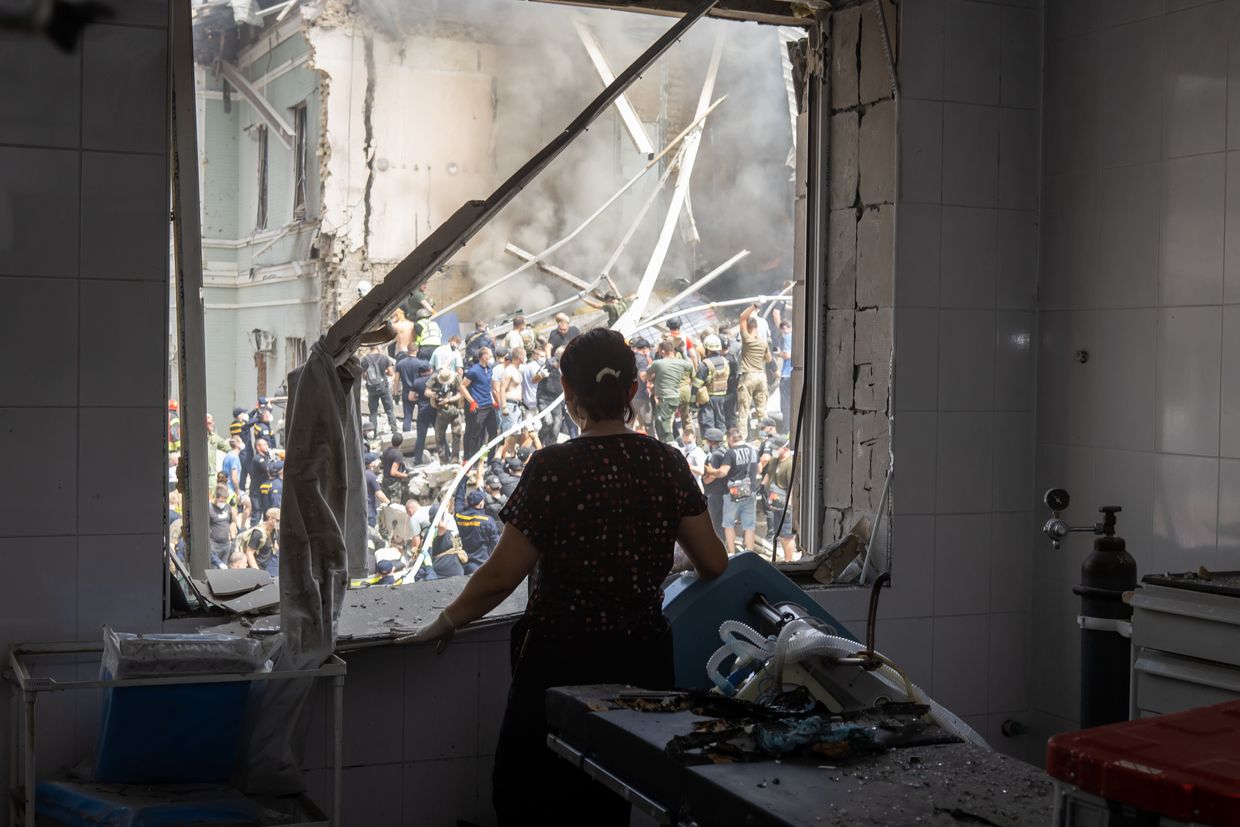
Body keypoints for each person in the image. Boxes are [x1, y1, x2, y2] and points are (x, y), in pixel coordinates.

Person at [402, 328, 728, 827]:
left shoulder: (553, 468)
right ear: (634, 391)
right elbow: (713, 563)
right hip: (642, 667)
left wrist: (447, 620)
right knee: (609, 801)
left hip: (562, 667)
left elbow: (500, 576)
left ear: (568, 393)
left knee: (531, 798)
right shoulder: (666, 463)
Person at [716, 428, 759, 553]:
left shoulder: (730, 453)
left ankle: (731, 552)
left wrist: (713, 472)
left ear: (730, 439)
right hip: (749, 491)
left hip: (733, 494)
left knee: (729, 524)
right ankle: (749, 552)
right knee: (749, 525)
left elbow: (723, 472)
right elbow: (760, 469)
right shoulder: (753, 450)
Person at [737, 304, 773, 440]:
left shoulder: (747, 340)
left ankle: (742, 438)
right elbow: (768, 359)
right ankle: (765, 438)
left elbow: (742, 317)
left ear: (748, 327)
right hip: (761, 376)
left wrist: (753, 307)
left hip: (748, 376)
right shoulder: (763, 343)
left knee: (743, 410)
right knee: (762, 410)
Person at [645, 338, 690, 443]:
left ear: (663, 351)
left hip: (667, 395)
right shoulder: (682, 358)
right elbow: (692, 369)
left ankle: (672, 443)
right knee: (684, 419)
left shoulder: (661, 362)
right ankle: (686, 440)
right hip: (681, 391)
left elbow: (648, 376)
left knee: (666, 422)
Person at [453, 482, 500, 574]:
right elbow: (496, 543)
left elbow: (459, 498)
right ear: (481, 504)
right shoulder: (487, 521)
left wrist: (463, 478)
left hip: (463, 561)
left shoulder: (459, 516)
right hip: (482, 563)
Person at [763, 435, 796, 562]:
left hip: (785, 502)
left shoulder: (790, 463)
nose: (775, 450)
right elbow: (768, 475)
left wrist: (790, 502)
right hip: (774, 502)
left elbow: (792, 484)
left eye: (777, 448)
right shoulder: (774, 461)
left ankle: (789, 560)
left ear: (785, 448)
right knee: (780, 534)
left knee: (787, 534)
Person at [461, 347, 498, 459]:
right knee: (476, 434)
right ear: (484, 356)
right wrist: (472, 401)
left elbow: (490, 385)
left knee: (493, 432)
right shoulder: (474, 371)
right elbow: (462, 386)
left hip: (489, 405)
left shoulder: (490, 369)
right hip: (479, 406)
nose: (491, 358)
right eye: (490, 355)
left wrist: (494, 400)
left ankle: (491, 458)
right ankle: (471, 458)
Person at [695, 334, 730, 433]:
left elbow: (696, 385)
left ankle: (710, 445)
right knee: (720, 421)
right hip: (722, 396)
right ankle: (722, 444)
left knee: (708, 422)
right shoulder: (724, 361)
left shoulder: (704, 364)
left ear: (706, 348)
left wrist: (693, 402)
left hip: (708, 398)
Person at [362, 346, 399, 436]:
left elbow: (363, 376)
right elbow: (391, 373)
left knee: (373, 412)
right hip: (383, 387)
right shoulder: (384, 358)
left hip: (371, 389)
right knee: (389, 410)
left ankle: (372, 433)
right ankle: (394, 431)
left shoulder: (364, 359)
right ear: (378, 347)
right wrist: (384, 373)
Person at [429, 368, 464, 463]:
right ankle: (443, 459)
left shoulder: (457, 378)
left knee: (457, 434)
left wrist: (448, 400)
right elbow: (426, 391)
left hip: (455, 409)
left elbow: (461, 393)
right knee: (439, 435)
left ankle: (455, 459)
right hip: (441, 411)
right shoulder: (435, 377)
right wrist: (435, 395)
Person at [700, 428, 728, 541]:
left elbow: (712, 475)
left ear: (711, 441)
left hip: (714, 492)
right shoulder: (725, 451)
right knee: (720, 521)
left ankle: (717, 544)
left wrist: (703, 481)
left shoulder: (715, 455)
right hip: (723, 492)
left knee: (713, 521)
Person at [239, 507, 280, 576]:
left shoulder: (274, 531)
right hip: (257, 569)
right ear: (270, 519)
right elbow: (249, 553)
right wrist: (257, 571)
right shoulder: (258, 533)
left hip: (267, 567)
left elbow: (274, 546)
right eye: (278, 520)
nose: (279, 523)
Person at [409, 361, 436, 465]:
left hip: (422, 411)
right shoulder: (434, 379)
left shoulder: (416, 382)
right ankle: (446, 454)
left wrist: (419, 398)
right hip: (434, 409)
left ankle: (417, 459)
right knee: (439, 433)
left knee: (421, 436)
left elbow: (411, 397)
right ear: (429, 370)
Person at [207, 485, 236, 568]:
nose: (222, 503)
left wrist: (233, 539)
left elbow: (231, 523)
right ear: (216, 498)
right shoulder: (210, 508)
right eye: (221, 500)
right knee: (214, 568)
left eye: (224, 501)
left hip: (226, 544)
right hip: (214, 544)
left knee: (225, 568)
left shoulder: (227, 507)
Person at [248, 437, 272, 525]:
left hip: (263, 489)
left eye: (267, 444)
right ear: (258, 447)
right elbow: (268, 468)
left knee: (266, 511)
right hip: (256, 491)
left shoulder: (266, 456)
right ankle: (252, 532)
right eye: (264, 445)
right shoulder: (257, 459)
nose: (267, 446)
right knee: (257, 512)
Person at [381, 433, 409, 504]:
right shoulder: (398, 454)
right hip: (393, 483)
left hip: (385, 480)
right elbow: (393, 472)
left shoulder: (386, 451)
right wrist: (406, 476)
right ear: (401, 443)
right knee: (395, 505)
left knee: (386, 503)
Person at [775, 316, 793, 426]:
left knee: (785, 403)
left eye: (782, 331)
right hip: (794, 374)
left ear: (785, 328)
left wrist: (779, 353)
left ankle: (786, 427)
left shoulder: (787, 337)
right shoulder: (798, 336)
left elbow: (787, 355)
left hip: (786, 374)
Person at [363, 454, 388, 528]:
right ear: (371, 464)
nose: (378, 462)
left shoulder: (361, 473)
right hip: (370, 511)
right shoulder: (371, 476)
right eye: (376, 461)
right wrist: (388, 502)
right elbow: (379, 493)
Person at [680, 426, 706, 491]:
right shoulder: (682, 450)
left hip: (696, 485)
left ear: (694, 439)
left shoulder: (698, 452)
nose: (687, 445)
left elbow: (701, 471)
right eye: (685, 443)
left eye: (689, 442)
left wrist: (688, 466)